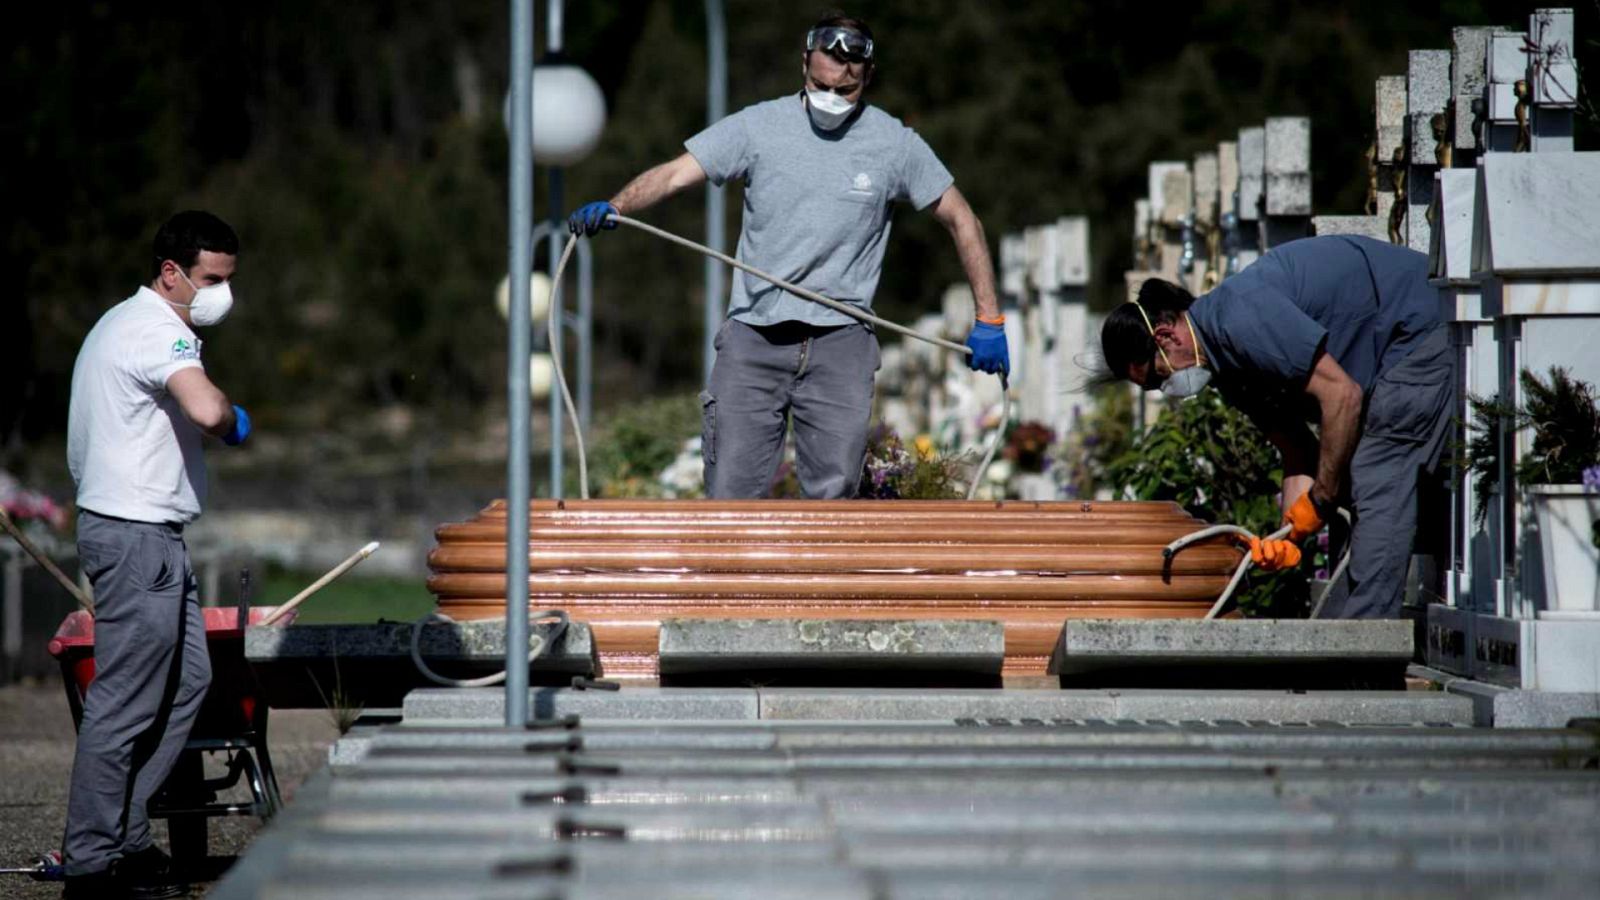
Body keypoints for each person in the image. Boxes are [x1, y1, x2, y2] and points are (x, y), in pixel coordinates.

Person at [568, 13, 1007, 498]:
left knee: (834, 496)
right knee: (731, 493)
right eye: (821, 84)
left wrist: (990, 318)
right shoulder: (758, 126)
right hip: (755, 337)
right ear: (803, 65)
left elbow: (963, 219)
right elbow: (674, 175)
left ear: (868, 78)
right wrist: (616, 205)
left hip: (841, 341)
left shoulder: (895, 145)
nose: (832, 98)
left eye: (846, 91)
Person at [1099, 235, 1451, 620]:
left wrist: (1322, 496)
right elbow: (1297, 448)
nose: (1166, 390)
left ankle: (1365, 647)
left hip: (1422, 324)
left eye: (1157, 379)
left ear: (1166, 337)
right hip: (1387, 358)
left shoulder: (1239, 319)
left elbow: (1342, 396)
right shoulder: (1225, 370)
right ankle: (1350, 629)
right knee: (1351, 477)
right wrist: (1290, 533)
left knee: (1375, 473)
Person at [61, 210, 251, 898]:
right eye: (209, 279)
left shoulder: (120, 322)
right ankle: (91, 863)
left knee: (187, 685)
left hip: (147, 536)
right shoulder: (159, 331)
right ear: (171, 272)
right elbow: (204, 410)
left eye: (228, 279)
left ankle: (128, 836)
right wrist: (233, 419)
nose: (219, 294)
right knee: (123, 705)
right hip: (136, 538)